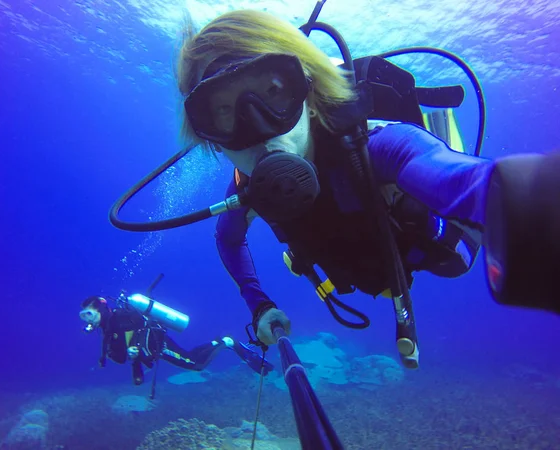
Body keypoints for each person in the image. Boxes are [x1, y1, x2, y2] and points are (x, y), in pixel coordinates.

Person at [175, 9, 560, 352]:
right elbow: (228, 237)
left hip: (430, 245)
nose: (257, 129)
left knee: (455, 259)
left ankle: (443, 134)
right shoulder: (247, 189)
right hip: (361, 268)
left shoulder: (378, 145)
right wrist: (259, 305)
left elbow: (468, 181)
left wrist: (533, 203)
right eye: (224, 112)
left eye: (273, 92)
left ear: (307, 90)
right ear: (207, 135)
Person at [79, 295, 273, 385]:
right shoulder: (107, 328)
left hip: (160, 346)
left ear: (100, 309)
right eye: (83, 316)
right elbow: (120, 357)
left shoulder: (119, 317)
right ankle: (217, 343)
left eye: (89, 314)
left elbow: (140, 322)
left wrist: (137, 346)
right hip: (156, 349)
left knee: (196, 365)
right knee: (191, 358)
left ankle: (227, 342)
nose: (88, 320)